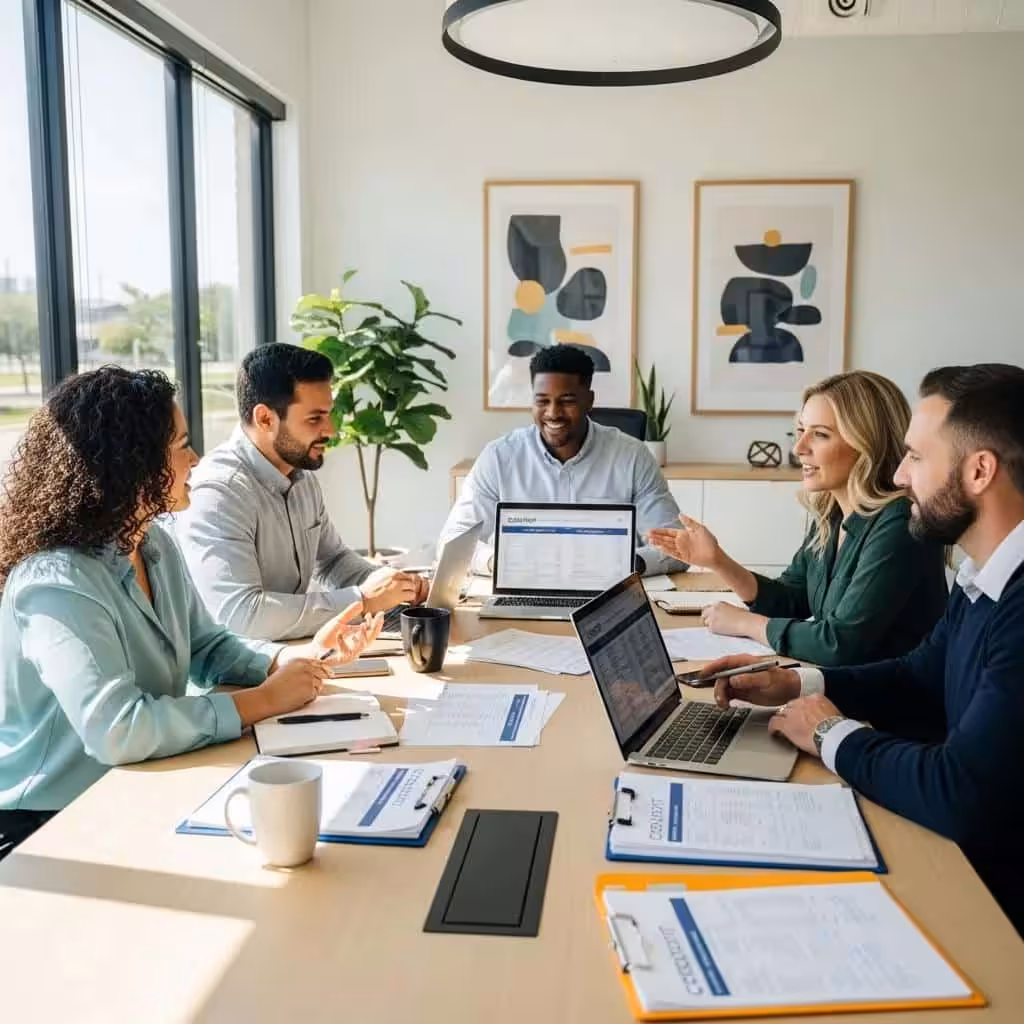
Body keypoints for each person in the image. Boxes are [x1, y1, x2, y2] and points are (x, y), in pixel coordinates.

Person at [0, 367, 382, 860]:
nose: (195, 459)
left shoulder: (152, 542)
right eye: (181, 445)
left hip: (136, 783)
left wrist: (288, 662)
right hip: (48, 823)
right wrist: (264, 700)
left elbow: (207, 646)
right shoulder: (58, 581)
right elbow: (119, 730)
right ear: (131, 462)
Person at [702, 364, 1024, 936]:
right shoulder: (983, 577)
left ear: (979, 471)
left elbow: (959, 792)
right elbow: (920, 676)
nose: (899, 476)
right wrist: (797, 683)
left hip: (992, 900)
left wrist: (829, 733)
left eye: (916, 457)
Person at [649, 370, 948, 665]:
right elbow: (791, 599)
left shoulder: (899, 524)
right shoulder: (832, 516)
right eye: (801, 430)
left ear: (867, 442)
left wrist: (745, 623)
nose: (799, 448)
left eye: (820, 435)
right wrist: (718, 561)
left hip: (887, 696)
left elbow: (838, 643)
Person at [176, 343, 428, 641]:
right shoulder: (219, 494)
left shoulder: (301, 475)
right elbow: (243, 616)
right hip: (243, 664)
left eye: (329, 415)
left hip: (293, 651)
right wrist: (362, 600)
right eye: (314, 418)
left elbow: (333, 561)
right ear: (265, 419)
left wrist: (396, 586)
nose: (331, 430)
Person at [440, 345, 688, 576]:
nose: (553, 413)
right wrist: (500, 563)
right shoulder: (498, 457)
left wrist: (626, 564)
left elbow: (679, 546)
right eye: (542, 401)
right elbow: (452, 542)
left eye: (567, 401)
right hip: (522, 585)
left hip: (610, 590)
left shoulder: (633, 457)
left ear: (589, 400)